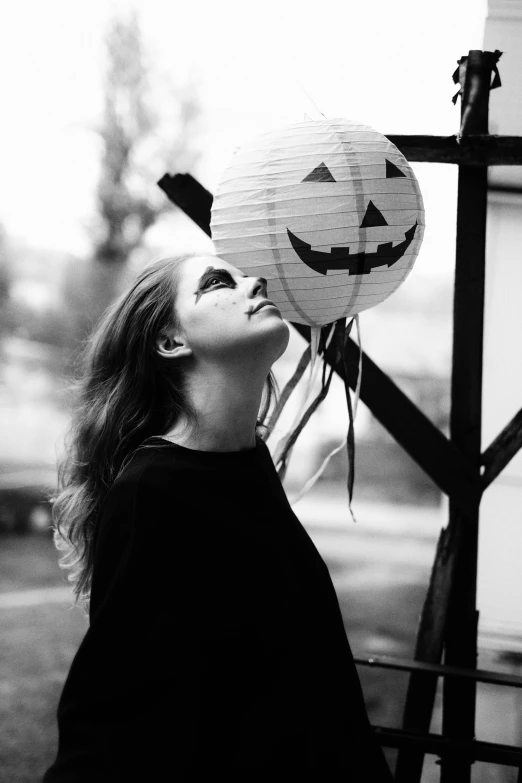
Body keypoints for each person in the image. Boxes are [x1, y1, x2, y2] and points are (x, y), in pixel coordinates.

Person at [43, 254, 393, 782]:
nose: (255, 281)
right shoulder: (153, 491)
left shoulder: (246, 464)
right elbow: (117, 715)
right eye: (216, 283)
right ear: (170, 341)